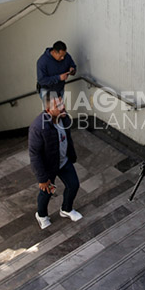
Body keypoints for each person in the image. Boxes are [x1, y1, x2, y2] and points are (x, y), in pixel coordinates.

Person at [28, 92, 83, 229]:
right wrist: (42, 178)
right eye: (58, 105)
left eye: (62, 103)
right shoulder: (38, 127)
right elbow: (34, 155)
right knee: (47, 192)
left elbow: (67, 138)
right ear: (48, 110)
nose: (63, 107)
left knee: (73, 185)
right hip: (48, 169)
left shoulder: (63, 118)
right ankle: (41, 215)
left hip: (64, 162)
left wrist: (71, 155)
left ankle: (66, 209)